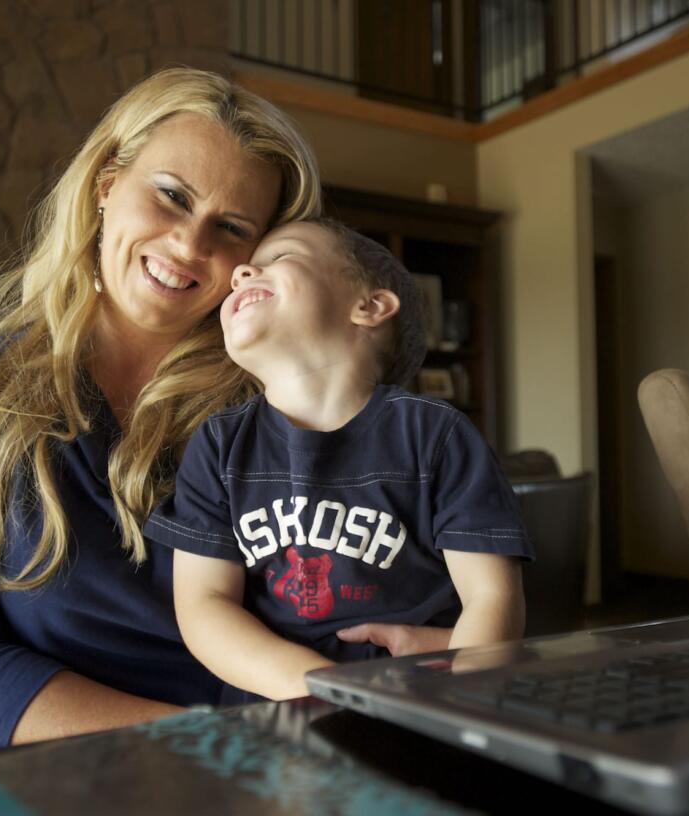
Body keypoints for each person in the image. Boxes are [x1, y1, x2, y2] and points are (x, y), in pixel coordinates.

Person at [0, 68, 334, 751]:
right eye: (172, 196)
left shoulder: (275, 410)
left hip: (297, 766)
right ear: (105, 183)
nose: (189, 245)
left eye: (231, 226)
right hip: (93, 780)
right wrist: (211, 750)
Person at [144, 219, 532, 701]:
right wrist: (317, 685)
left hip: (418, 698)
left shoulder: (436, 436)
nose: (241, 272)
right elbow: (204, 607)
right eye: (244, 270)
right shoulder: (219, 446)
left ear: (369, 306)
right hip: (275, 708)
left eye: (279, 258)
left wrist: (463, 698)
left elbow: (492, 597)